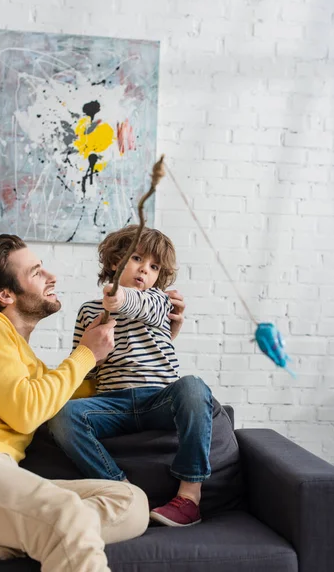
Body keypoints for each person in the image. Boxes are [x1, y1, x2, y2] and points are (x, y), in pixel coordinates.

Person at [0, 234, 150, 572]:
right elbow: (26, 411)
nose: (52, 277)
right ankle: (31, 535)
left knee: (131, 501)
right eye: (37, 272)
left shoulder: (27, 362)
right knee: (66, 512)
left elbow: (76, 393)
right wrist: (85, 353)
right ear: (5, 294)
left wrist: (146, 345)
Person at [48, 225, 213, 528]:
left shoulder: (159, 302)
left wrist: (120, 298)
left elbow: (142, 306)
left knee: (193, 386)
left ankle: (189, 497)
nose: (144, 270)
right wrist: (93, 347)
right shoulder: (89, 311)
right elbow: (84, 367)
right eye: (136, 258)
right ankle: (124, 491)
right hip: (113, 403)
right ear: (115, 262)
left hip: (159, 399)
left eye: (153, 267)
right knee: (63, 414)